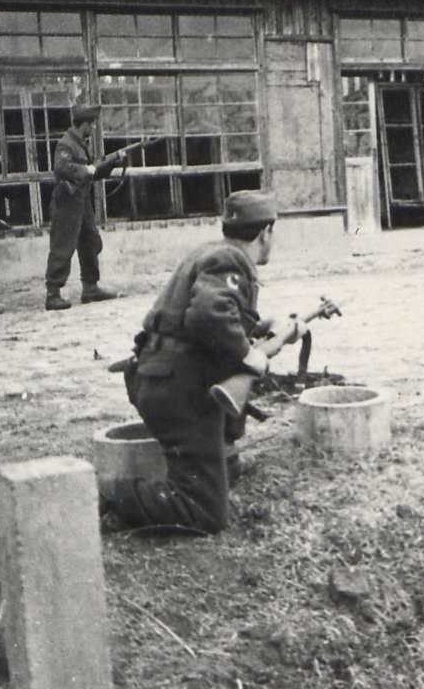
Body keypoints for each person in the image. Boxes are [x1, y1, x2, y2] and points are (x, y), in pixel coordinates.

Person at [107, 190, 306, 534]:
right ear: (265, 233)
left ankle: (222, 460)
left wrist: (267, 328)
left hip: (158, 376)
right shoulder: (232, 261)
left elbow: (196, 319)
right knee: (205, 512)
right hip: (178, 390)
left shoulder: (210, 252)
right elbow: (207, 314)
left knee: (219, 454)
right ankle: (110, 497)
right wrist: (250, 354)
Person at [44, 104, 122, 310]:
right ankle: (53, 293)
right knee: (62, 246)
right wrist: (86, 169)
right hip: (67, 201)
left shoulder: (80, 144)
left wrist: (112, 162)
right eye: (92, 124)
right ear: (84, 124)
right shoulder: (66, 144)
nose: (93, 128)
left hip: (81, 201)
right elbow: (61, 168)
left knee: (90, 241)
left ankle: (90, 288)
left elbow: (92, 172)